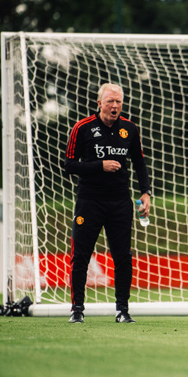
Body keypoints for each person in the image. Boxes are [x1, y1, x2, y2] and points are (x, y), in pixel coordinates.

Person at [64, 83, 151, 324]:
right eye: (110, 101)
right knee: (81, 256)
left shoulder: (130, 129)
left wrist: (146, 193)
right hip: (89, 201)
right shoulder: (82, 128)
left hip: (120, 202)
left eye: (118, 102)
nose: (115, 106)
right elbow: (69, 165)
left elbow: (139, 163)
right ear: (99, 103)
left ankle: (122, 310)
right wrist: (99, 166)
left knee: (123, 257)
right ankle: (77, 309)